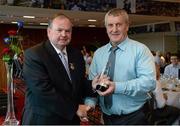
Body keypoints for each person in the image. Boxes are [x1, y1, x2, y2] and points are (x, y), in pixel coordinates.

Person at [21, 13, 99, 125]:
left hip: (70, 120)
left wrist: (93, 85)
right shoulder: (34, 54)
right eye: (59, 30)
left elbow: (78, 84)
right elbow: (43, 91)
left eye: (68, 31)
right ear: (49, 32)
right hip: (43, 120)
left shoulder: (76, 54)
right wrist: (75, 109)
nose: (64, 34)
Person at [85, 8, 156, 125]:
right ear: (106, 28)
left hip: (135, 117)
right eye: (110, 25)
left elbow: (149, 83)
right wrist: (89, 105)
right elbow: (92, 84)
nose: (114, 29)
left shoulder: (141, 50)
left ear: (127, 26)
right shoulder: (99, 54)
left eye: (119, 25)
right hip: (107, 117)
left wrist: (117, 87)